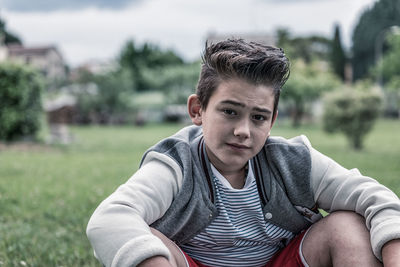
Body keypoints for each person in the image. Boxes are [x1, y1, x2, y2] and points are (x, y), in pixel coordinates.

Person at [86, 39, 400, 267]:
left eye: (259, 117)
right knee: (151, 240)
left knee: (347, 225)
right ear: (198, 110)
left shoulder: (294, 162)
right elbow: (109, 219)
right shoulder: (175, 165)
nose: (243, 131)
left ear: (272, 121)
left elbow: (374, 197)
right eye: (230, 112)